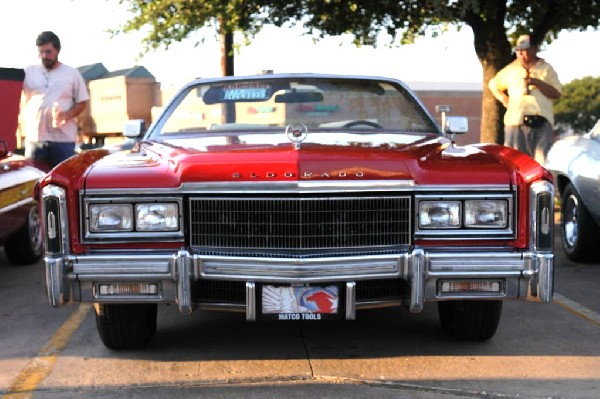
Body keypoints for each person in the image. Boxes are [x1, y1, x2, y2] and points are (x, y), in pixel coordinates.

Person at [488, 34, 561, 165]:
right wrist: (503, 98)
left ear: (534, 49)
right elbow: (493, 84)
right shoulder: (511, 69)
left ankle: (540, 185)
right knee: (515, 161)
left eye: (525, 50)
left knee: (542, 161)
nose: (521, 53)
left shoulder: (546, 69)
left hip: (541, 122)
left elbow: (556, 93)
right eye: (518, 50)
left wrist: (537, 82)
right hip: (516, 122)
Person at [21, 31, 89, 171]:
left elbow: (82, 101)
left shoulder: (71, 74)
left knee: (63, 179)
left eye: (48, 51)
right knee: (33, 181)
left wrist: (66, 115)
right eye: (41, 52)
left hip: (62, 141)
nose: (44, 56)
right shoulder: (28, 72)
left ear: (57, 50)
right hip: (35, 140)